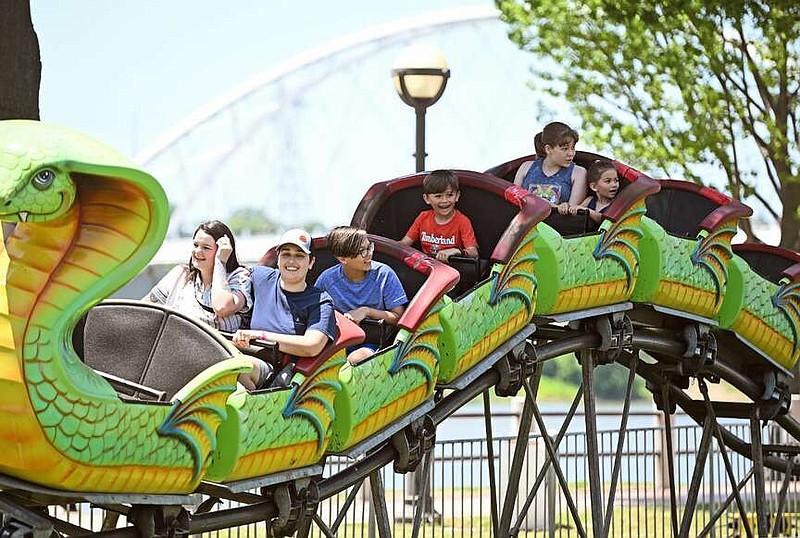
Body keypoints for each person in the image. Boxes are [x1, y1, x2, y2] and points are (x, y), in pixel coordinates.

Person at [145, 220, 267, 390]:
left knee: (237, 376)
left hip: (224, 356)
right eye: (195, 245)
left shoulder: (239, 277)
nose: (197, 252)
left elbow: (222, 307)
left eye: (206, 248)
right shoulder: (181, 274)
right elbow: (145, 308)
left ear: (222, 252)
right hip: (177, 354)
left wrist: (220, 263)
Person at [233, 228, 336, 385]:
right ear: (278, 258)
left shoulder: (320, 301)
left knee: (240, 368)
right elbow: (231, 274)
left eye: (299, 256)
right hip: (240, 353)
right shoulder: (261, 277)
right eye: (286, 254)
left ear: (311, 263)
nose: (291, 261)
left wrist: (259, 335)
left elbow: (312, 346)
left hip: (282, 374)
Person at [315, 226, 407, 362]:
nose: (369, 254)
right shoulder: (327, 280)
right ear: (343, 259)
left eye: (369, 247)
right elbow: (315, 314)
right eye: (362, 251)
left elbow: (397, 317)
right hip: (337, 342)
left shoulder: (384, 274)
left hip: (373, 343)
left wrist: (366, 311)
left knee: (356, 359)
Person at [400, 169, 479, 263]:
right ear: (427, 199)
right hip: (426, 267)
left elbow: (474, 253)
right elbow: (403, 244)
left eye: (449, 195)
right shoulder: (422, 217)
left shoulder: (463, 221)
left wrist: (457, 251)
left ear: (457, 196)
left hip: (454, 270)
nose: (444, 200)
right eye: (438, 196)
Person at [513, 121, 588, 215]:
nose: (571, 154)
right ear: (548, 149)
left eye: (573, 148)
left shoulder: (578, 173)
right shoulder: (526, 167)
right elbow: (514, 200)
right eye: (565, 149)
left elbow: (571, 214)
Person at [578, 160, 620, 224]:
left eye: (616, 180)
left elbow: (603, 220)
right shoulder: (589, 200)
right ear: (594, 187)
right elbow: (577, 213)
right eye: (608, 181)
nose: (614, 185)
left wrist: (588, 211)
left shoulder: (616, 205)